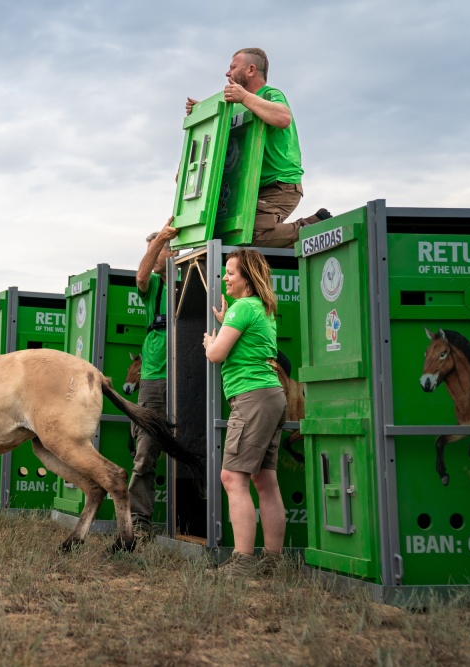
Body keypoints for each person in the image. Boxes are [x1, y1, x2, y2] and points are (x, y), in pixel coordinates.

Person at [186, 48, 331, 248]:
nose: (227, 73)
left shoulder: (270, 95)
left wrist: (245, 97)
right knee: (228, 235)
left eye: (233, 67)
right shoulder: (238, 106)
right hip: (250, 190)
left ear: (251, 70)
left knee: (248, 235)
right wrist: (204, 113)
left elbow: (283, 118)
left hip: (279, 186)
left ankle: (317, 226)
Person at [202, 249, 287, 577]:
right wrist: (227, 322)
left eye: (231, 272)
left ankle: (242, 563)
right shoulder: (261, 308)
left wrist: (210, 343)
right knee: (265, 480)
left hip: (252, 399)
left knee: (232, 477)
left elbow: (217, 354)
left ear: (247, 279)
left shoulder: (242, 308)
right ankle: (272, 561)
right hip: (271, 396)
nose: (225, 277)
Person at [128, 217, 179, 541]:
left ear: (173, 253)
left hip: (188, 378)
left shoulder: (191, 278)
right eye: (150, 249)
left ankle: (193, 523)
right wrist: (160, 238)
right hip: (155, 381)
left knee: (196, 447)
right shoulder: (153, 288)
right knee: (145, 451)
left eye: (158, 249)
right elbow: (141, 276)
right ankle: (139, 523)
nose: (152, 254)